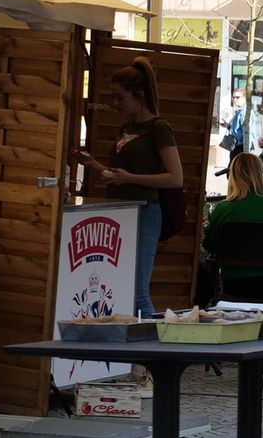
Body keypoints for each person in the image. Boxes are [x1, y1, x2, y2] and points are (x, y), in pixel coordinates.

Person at [73, 57, 183, 395]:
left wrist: (130, 177)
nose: (115, 104)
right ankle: (138, 365)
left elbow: (174, 177)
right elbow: (122, 175)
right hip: (119, 210)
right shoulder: (127, 130)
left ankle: (151, 366)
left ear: (138, 95)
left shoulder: (158, 127)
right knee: (121, 289)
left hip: (146, 210)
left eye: (120, 97)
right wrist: (95, 166)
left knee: (137, 290)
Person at [203, 153, 263, 301]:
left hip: (236, 284)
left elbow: (210, 246)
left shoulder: (222, 209)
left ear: (232, 175)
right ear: (260, 175)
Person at [221, 87, 246, 160]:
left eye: (237, 97)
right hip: (236, 146)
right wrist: (228, 126)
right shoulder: (238, 111)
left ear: (244, 98)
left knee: (233, 169)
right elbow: (237, 128)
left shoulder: (243, 112)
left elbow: (246, 132)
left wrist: (238, 141)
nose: (235, 100)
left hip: (240, 146)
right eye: (233, 97)